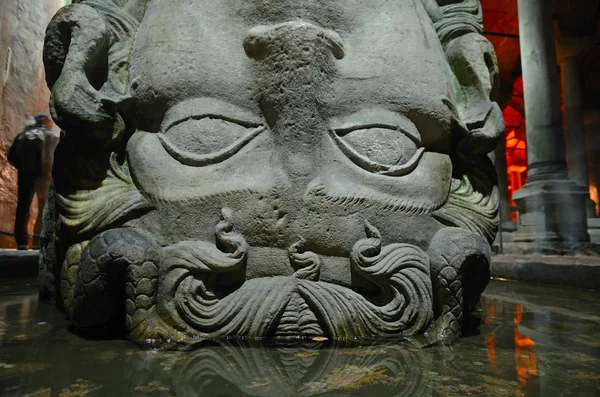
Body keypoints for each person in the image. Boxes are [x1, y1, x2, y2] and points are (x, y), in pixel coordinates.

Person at [7, 114, 59, 250]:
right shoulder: (52, 137)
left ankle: (22, 243)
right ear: (46, 122)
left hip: (25, 176)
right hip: (45, 177)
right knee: (44, 209)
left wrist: (22, 168)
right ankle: (38, 242)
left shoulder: (22, 136)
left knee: (23, 208)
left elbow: (11, 156)